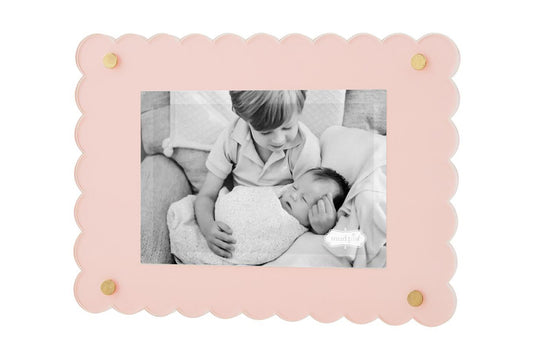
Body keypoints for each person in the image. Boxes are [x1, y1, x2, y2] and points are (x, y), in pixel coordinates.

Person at [195, 90, 332, 259]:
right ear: (243, 117)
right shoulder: (231, 139)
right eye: (266, 132)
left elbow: (307, 208)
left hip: (278, 230)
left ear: (299, 111)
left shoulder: (304, 149)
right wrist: (208, 228)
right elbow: (206, 196)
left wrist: (320, 227)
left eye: (287, 127)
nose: (278, 140)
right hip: (241, 215)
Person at [169, 167, 349, 265]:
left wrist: (322, 228)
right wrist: (209, 226)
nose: (293, 194)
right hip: (214, 218)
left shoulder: (297, 229)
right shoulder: (278, 194)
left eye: (304, 199)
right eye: (295, 187)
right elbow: (244, 197)